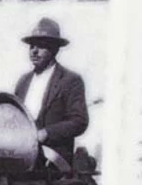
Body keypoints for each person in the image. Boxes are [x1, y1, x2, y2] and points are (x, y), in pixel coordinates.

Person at [14, 17, 89, 164]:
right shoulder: (23, 81)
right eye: (31, 46)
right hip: (22, 160)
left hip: (53, 165)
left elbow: (79, 121)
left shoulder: (70, 80)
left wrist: (47, 133)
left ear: (55, 49)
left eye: (41, 46)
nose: (34, 51)